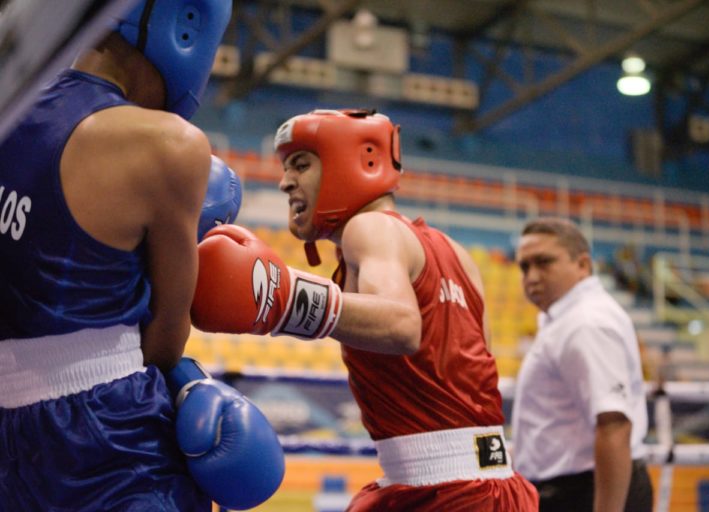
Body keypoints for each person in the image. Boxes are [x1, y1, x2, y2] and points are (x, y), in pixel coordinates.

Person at [0, 1, 284, 510]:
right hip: (107, 436)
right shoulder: (170, 145)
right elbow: (166, 337)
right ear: (187, 29)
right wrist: (184, 381)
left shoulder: (11, 104)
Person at [191, 109, 540, 511]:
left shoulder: (369, 228)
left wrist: (284, 301)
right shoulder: (454, 252)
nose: (286, 182)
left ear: (359, 162)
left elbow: (403, 326)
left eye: (301, 165)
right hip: (496, 486)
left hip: (445, 493)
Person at [510, 217, 653, 512]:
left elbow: (614, 426)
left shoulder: (586, 323)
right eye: (525, 266)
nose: (532, 276)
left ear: (583, 265)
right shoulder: (566, 320)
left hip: (588, 492)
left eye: (544, 262)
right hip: (574, 490)